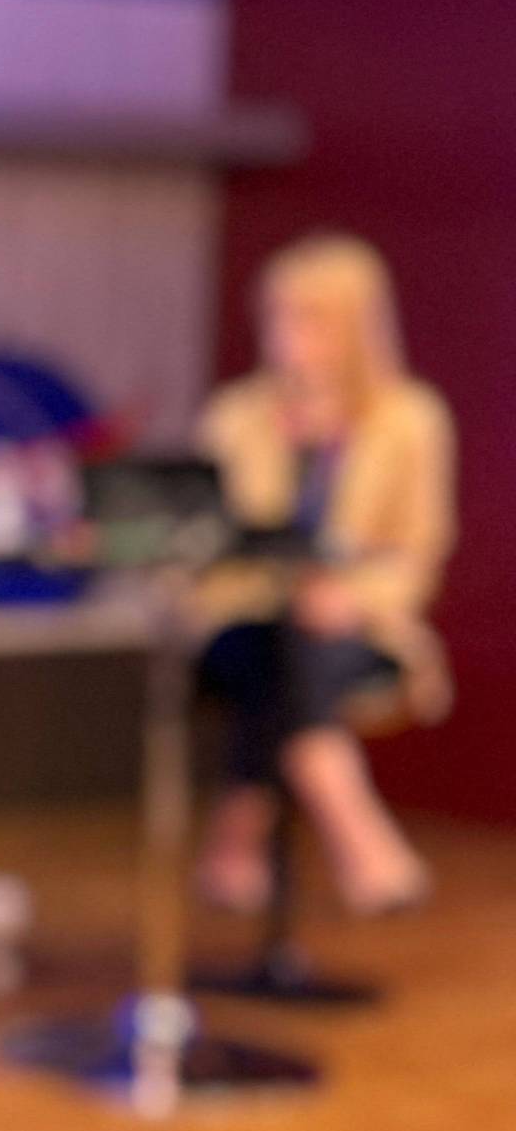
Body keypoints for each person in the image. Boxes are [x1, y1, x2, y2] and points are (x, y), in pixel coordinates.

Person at [194, 233, 456, 917]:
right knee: (276, 647)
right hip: (245, 623)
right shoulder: (238, 417)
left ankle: (238, 829)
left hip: (356, 627)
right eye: (279, 317)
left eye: (310, 319)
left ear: (355, 327)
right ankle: (352, 824)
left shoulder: (410, 421)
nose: (290, 336)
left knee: (306, 647)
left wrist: (352, 596)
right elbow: (206, 547)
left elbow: (417, 553)